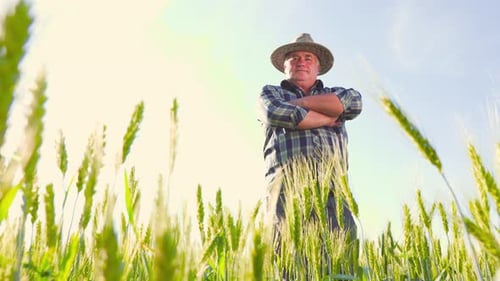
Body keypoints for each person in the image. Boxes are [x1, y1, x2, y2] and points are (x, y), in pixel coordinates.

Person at [257, 33, 362, 245]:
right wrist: (327, 116)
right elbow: (275, 112)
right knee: (286, 271)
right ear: (285, 66)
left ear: (317, 67)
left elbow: (354, 103)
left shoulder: (337, 92)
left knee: (338, 270)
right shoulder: (270, 93)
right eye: (294, 58)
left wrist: (299, 104)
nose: (301, 62)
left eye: (308, 57)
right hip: (284, 194)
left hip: (333, 197)